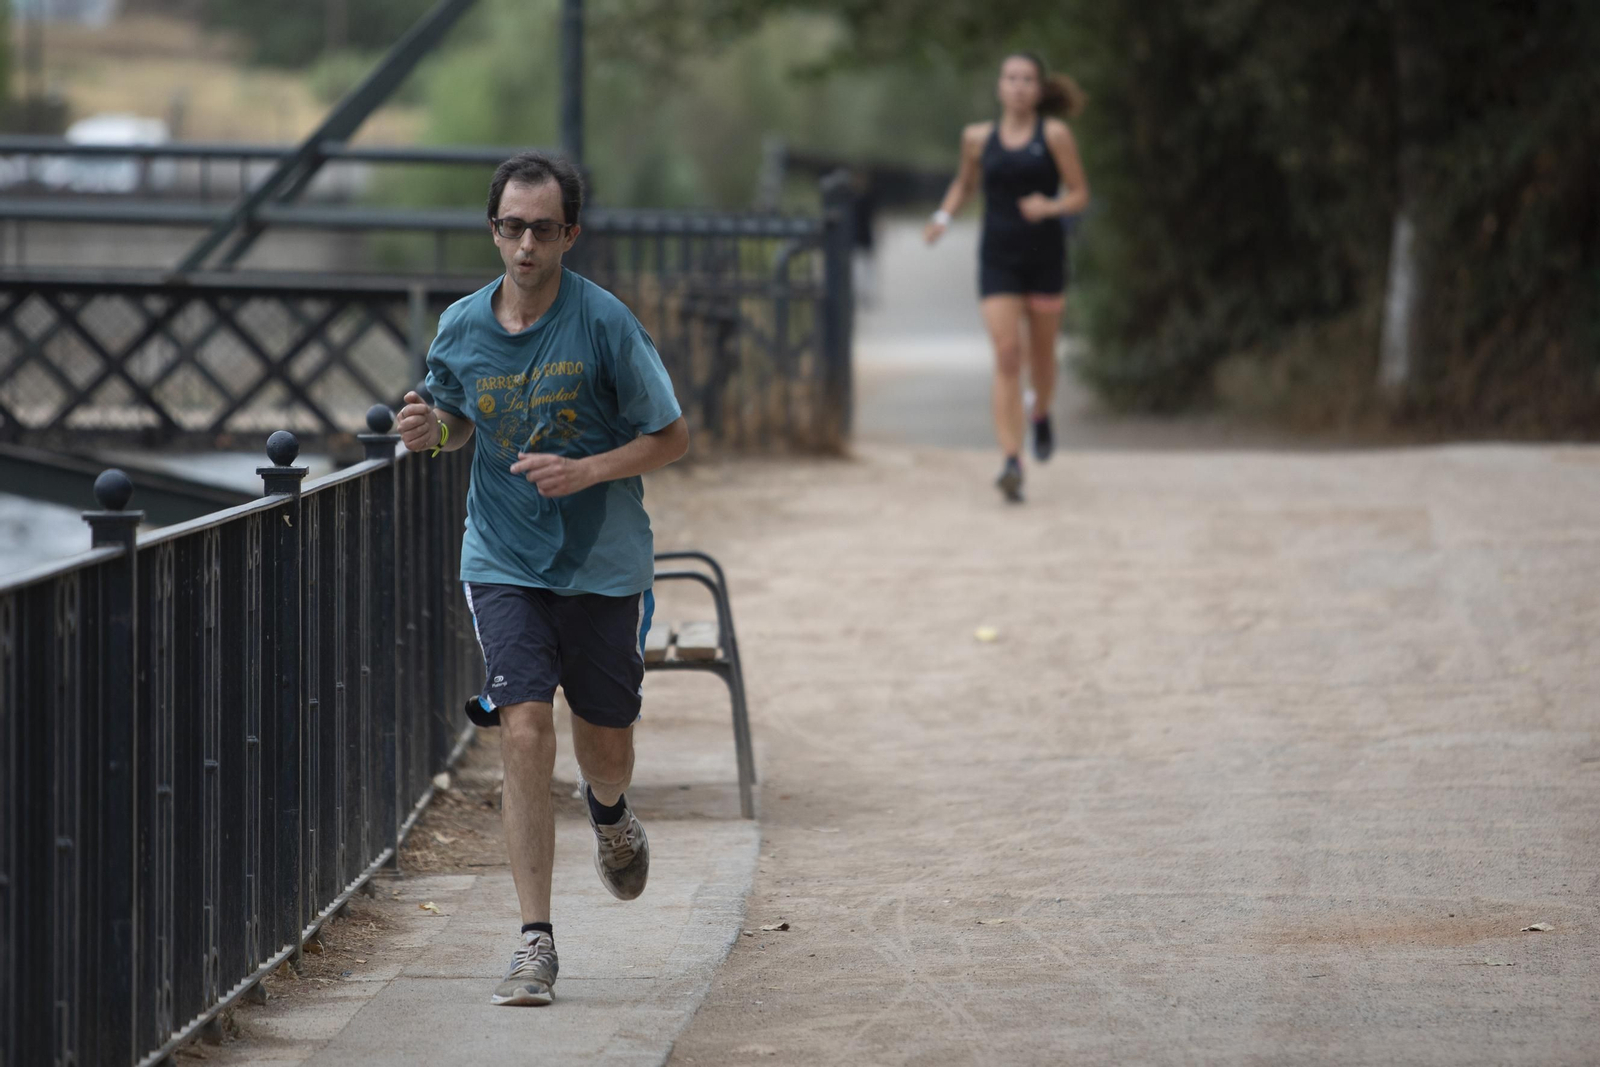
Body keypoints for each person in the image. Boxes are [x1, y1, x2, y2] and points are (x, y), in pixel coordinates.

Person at [396, 151, 689, 1007]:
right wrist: (430, 430)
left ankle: (611, 813)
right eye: (512, 227)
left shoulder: (605, 323)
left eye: (544, 229)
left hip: (602, 560)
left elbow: (671, 437)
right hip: (502, 555)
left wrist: (586, 470)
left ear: (570, 234)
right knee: (522, 727)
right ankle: (535, 941)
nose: (526, 244)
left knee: (605, 747)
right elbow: (456, 420)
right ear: (493, 230)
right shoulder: (460, 326)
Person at [925, 52, 1090, 503]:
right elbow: (965, 184)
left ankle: (1040, 411)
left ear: (1039, 89)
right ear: (999, 86)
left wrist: (1051, 206)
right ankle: (1011, 461)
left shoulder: (1054, 135)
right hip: (998, 258)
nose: (1018, 86)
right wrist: (942, 217)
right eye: (1011, 78)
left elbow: (1080, 193)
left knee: (1042, 358)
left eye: (1027, 79)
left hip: (1045, 258)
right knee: (1006, 354)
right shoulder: (976, 138)